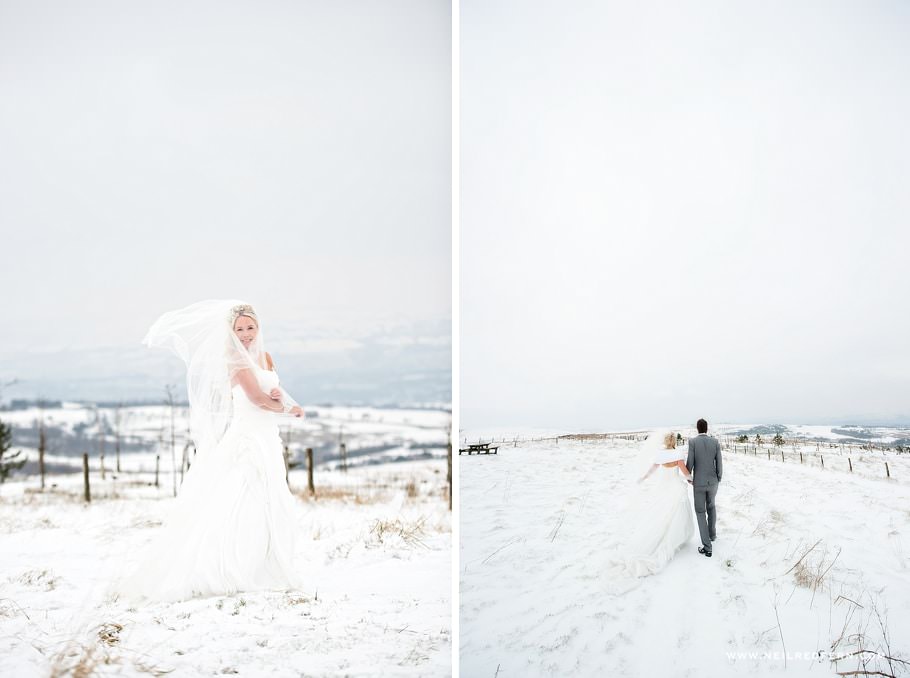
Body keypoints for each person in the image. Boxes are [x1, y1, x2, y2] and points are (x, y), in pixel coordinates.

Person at [115, 300, 305, 601]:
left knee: (269, 497)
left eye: (250, 327)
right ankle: (229, 565)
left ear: (259, 327)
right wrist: (287, 408)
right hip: (248, 435)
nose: (246, 334)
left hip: (267, 434)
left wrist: (280, 397)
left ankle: (262, 564)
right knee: (243, 495)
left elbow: (268, 391)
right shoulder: (236, 359)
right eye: (239, 328)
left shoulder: (266, 357)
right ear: (231, 332)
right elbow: (255, 399)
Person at [605, 429, 694, 587]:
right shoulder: (677, 454)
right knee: (676, 511)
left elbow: (653, 469)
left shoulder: (661, 455)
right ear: (674, 442)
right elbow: (684, 471)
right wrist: (690, 479)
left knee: (661, 513)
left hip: (663, 487)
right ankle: (675, 538)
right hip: (674, 486)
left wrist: (644, 478)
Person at [686, 418, 722, 558]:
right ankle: (712, 535)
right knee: (711, 507)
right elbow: (719, 462)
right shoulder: (715, 442)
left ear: (697, 428)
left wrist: (689, 477)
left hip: (699, 483)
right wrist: (719, 477)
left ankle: (707, 547)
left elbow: (690, 462)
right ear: (706, 428)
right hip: (713, 482)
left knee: (701, 512)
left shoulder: (693, 442)